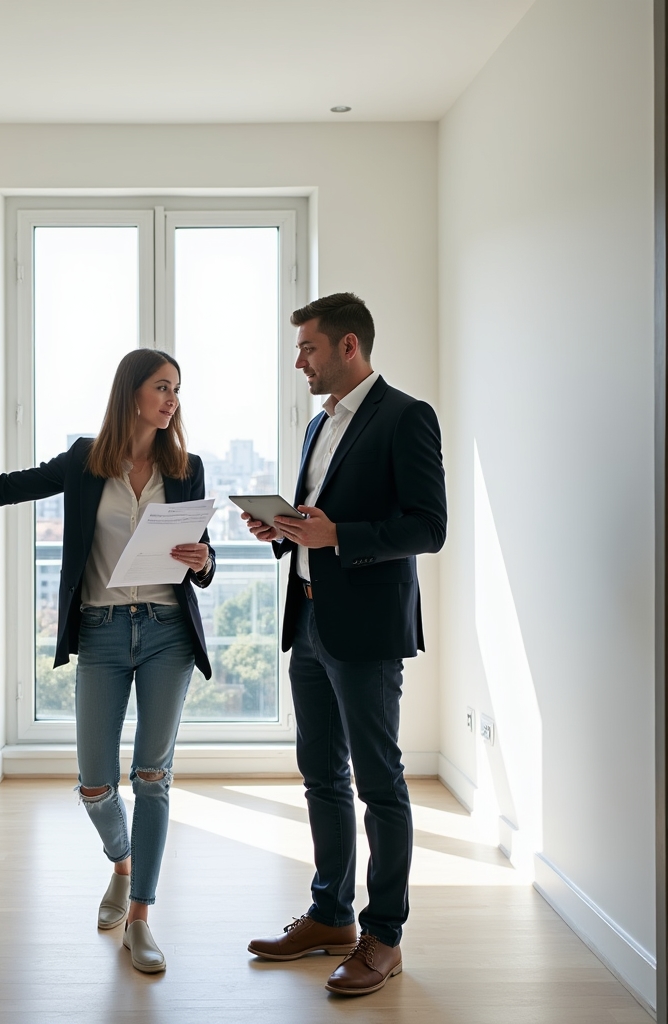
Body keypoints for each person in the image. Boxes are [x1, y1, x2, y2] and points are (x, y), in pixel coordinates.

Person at [0, 348, 215, 975]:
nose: (172, 400)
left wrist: (203, 561)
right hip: (104, 631)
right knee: (94, 783)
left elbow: (203, 555)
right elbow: (4, 491)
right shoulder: (86, 460)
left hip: (168, 631)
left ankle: (141, 916)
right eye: (162, 388)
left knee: (152, 777)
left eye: (177, 390)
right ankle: (123, 864)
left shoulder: (187, 467)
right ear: (131, 393)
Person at [243, 293, 446, 996]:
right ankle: (330, 914)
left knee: (380, 784)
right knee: (321, 777)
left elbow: (428, 527)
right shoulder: (316, 425)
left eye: (308, 348)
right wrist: (286, 531)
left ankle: (382, 935)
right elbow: (319, 519)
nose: (299, 359)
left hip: (365, 632)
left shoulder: (406, 417)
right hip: (309, 623)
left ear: (348, 345)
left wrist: (341, 538)